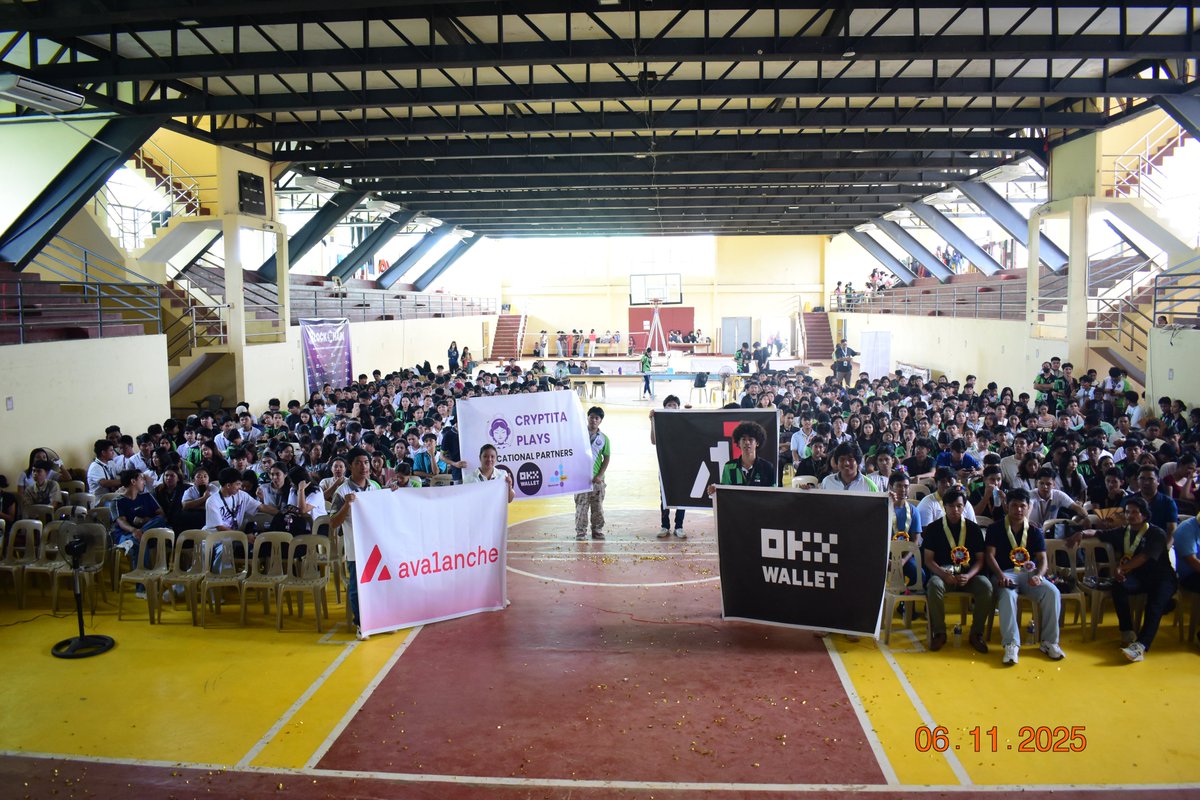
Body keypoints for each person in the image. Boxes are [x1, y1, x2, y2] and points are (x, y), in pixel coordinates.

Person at [1070, 496, 1176, 662]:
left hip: (1162, 579)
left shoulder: (1156, 533)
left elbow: (1143, 557)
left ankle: (1141, 646)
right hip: (1139, 578)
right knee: (1118, 586)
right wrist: (1081, 533)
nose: (1131, 515)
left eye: (1135, 512)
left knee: (1154, 607)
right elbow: (1098, 532)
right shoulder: (1123, 531)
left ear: (1144, 515)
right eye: (1127, 512)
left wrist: (1122, 568)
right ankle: (1127, 632)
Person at [984, 488, 1066, 665]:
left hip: (1028, 574)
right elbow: (990, 556)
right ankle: (1011, 644)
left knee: (1052, 592)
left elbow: (1042, 559)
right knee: (1007, 594)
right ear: (1007, 506)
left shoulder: (1035, 531)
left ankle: (1049, 642)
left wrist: (1039, 575)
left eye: (1023, 506)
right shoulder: (995, 528)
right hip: (1004, 573)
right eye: (1014, 505)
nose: (1019, 510)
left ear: (1029, 507)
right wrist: (1000, 576)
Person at [920, 487, 992, 653]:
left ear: (965, 507)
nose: (955, 510)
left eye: (959, 506)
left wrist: (968, 575)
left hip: (968, 576)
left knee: (986, 586)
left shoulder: (973, 529)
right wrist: (944, 574)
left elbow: (981, 560)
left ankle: (976, 633)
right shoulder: (934, 528)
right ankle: (939, 632)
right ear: (944, 506)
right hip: (944, 575)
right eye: (951, 506)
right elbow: (928, 560)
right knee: (934, 586)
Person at [329, 448, 382, 640]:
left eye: (366, 462)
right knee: (357, 586)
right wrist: (346, 505)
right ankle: (361, 623)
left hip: (375, 546)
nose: (364, 466)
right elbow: (333, 522)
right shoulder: (342, 491)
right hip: (355, 548)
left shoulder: (375, 487)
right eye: (359, 463)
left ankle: (379, 620)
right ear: (351, 466)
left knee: (379, 583)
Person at [650, 395, 687, 539]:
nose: (672, 407)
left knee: (681, 496)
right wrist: (653, 421)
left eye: (674, 405)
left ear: (678, 407)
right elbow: (654, 441)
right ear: (664, 407)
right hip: (665, 466)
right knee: (664, 496)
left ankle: (679, 526)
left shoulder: (683, 422)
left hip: (682, 465)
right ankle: (665, 525)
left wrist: (689, 414)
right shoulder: (661, 423)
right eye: (669, 405)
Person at [707, 421, 775, 493]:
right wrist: (714, 490)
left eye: (750, 439)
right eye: (743, 439)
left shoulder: (767, 467)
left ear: (757, 443)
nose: (747, 442)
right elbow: (724, 492)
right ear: (739, 443)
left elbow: (773, 494)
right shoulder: (729, 466)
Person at [575, 406, 611, 540]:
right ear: (587, 417)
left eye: (597, 418)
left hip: (597, 480)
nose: (594, 420)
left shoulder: (604, 439)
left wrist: (600, 476)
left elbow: (606, 458)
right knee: (581, 507)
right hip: (580, 479)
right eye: (591, 417)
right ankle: (581, 532)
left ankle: (597, 530)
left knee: (597, 507)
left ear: (600, 421)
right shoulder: (578, 435)